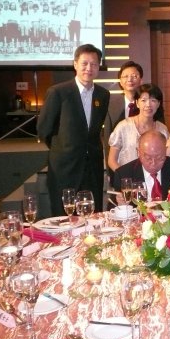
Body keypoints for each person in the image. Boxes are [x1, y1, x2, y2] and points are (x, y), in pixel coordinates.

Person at [37, 44, 110, 215]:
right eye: (84, 63)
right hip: (65, 168)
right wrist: (64, 148)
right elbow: (44, 129)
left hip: (93, 167)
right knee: (65, 217)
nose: (89, 68)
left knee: (93, 216)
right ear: (75, 64)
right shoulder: (58, 92)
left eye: (94, 64)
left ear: (98, 67)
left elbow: (95, 130)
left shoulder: (103, 95)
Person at [108, 83, 169, 173]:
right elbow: (112, 160)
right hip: (127, 178)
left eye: (153, 100)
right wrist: (123, 176)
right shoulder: (123, 126)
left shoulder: (162, 129)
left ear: (159, 104)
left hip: (153, 178)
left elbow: (165, 158)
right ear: (137, 103)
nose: (148, 105)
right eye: (143, 100)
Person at [113, 131, 170, 201]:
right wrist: (121, 206)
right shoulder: (123, 174)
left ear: (165, 150)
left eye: (159, 157)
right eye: (148, 158)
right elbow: (112, 206)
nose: (153, 163)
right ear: (138, 152)